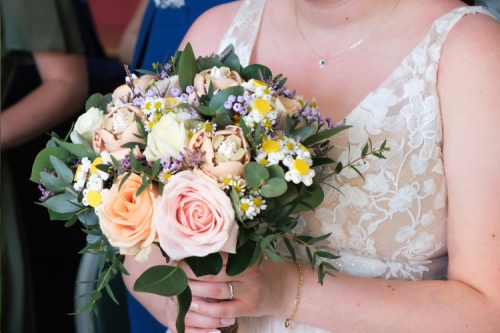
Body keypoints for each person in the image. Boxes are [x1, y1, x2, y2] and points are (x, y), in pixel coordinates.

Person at [123, 0, 500, 332]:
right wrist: (186, 305)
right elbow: (134, 238)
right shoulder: (214, 33)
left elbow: (488, 312)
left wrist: (288, 289)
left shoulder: (469, 51)